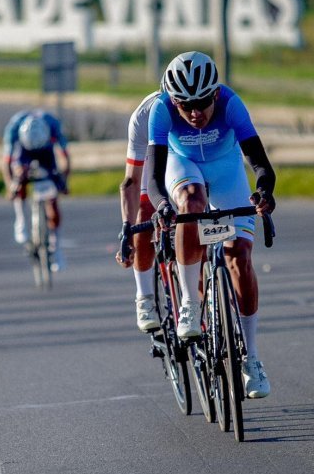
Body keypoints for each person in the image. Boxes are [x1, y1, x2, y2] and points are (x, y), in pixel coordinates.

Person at [146, 51, 277, 399]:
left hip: (226, 168)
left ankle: (252, 358)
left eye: (202, 103)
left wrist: (263, 192)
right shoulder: (161, 110)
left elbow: (261, 165)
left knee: (239, 257)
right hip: (182, 164)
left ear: (215, 95)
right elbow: (153, 178)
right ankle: (189, 303)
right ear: (173, 101)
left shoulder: (231, 104)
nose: (193, 113)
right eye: (184, 105)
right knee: (190, 201)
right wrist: (162, 206)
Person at [115, 90, 163, 332]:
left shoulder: (199, 112)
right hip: (150, 162)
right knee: (145, 217)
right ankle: (144, 296)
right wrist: (127, 230)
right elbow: (131, 181)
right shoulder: (144, 116)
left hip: (185, 159)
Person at [2, 109, 70, 263]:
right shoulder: (13, 129)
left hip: (46, 151)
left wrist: (64, 181)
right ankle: (20, 220)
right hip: (23, 151)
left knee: (53, 193)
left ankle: (56, 247)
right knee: (19, 177)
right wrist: (10, 186)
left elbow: (65, 157)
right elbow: (6, 163)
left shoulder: (53, 124)